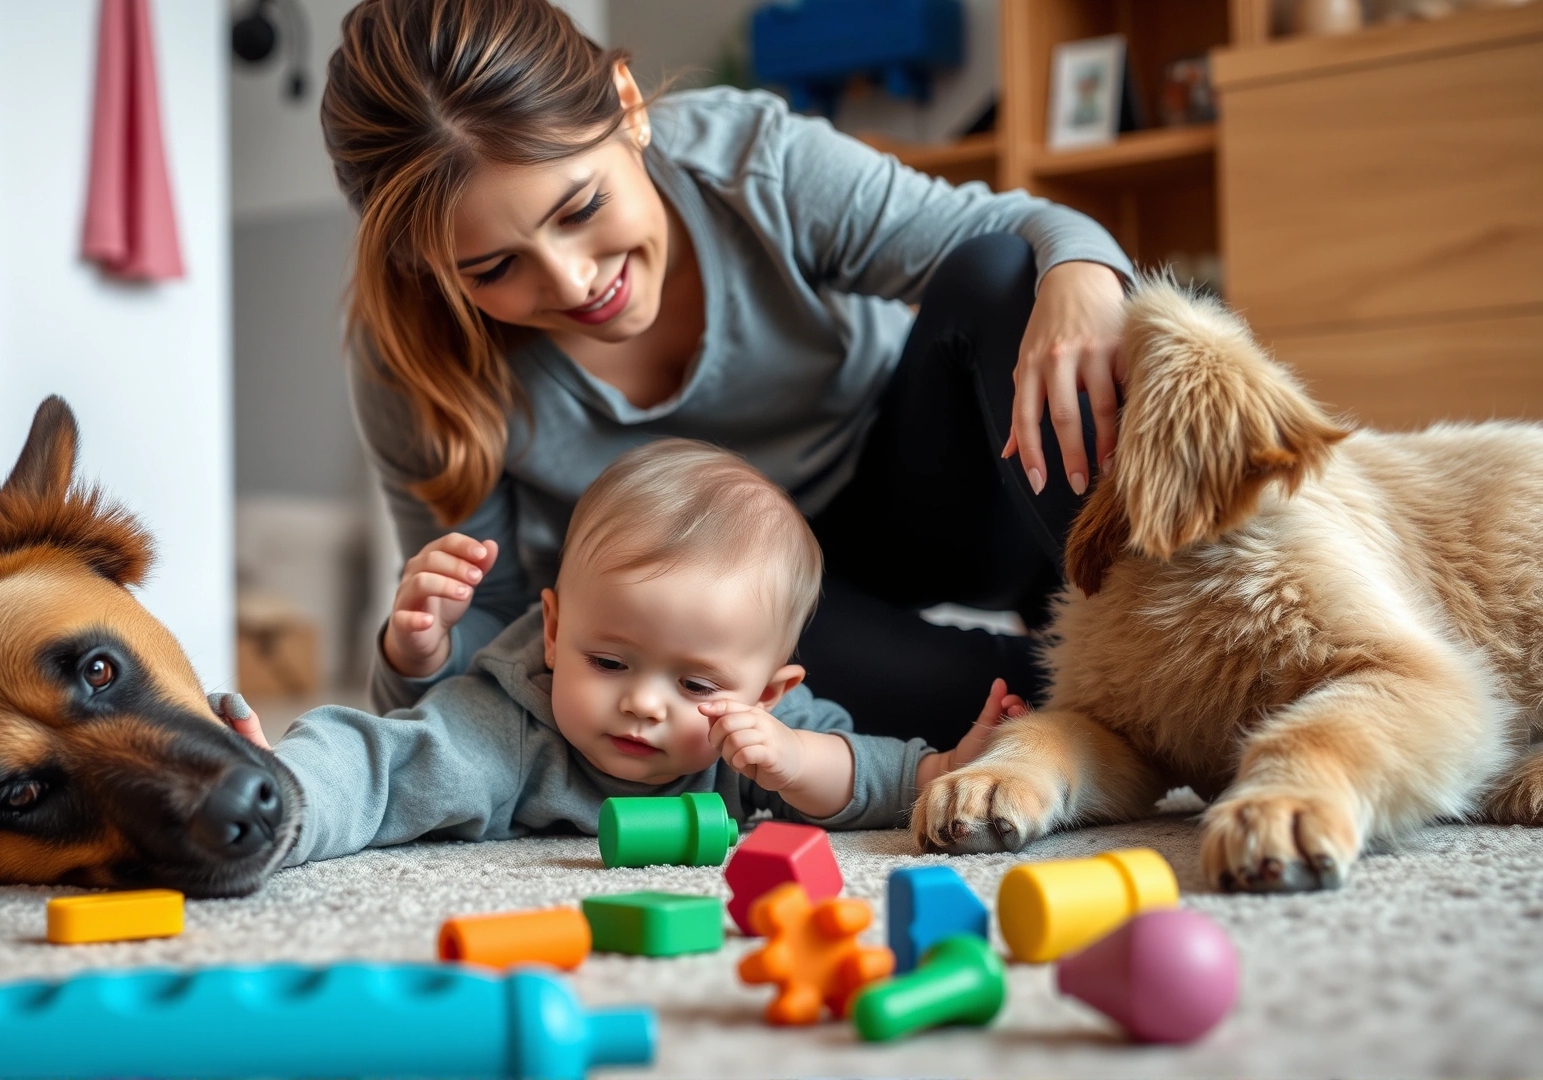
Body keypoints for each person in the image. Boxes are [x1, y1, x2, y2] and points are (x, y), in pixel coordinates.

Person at [325, 0, 1133, 749]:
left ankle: (1148, 617)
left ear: (628, 105)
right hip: (749, 610)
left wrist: (1084, 279)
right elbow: (491, 626)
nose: (573, 282)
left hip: (933, 494)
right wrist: (417, 645)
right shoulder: (412, 354)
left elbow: (1019, 230)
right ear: (428, 266)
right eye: (496, 266)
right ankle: (1136, 692)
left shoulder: (748, 161)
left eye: (578, 210)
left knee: (1009, 275)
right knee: (1036, 701)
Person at [221, 440, 1025, 866]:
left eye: (696, 683)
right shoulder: (509, 727)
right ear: (556, 631)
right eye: (608, 662)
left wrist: (935, 771)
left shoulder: (756, 733)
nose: (644, 702)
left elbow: (861, 776)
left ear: (769, 692)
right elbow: (383, 761)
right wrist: (284, 792)